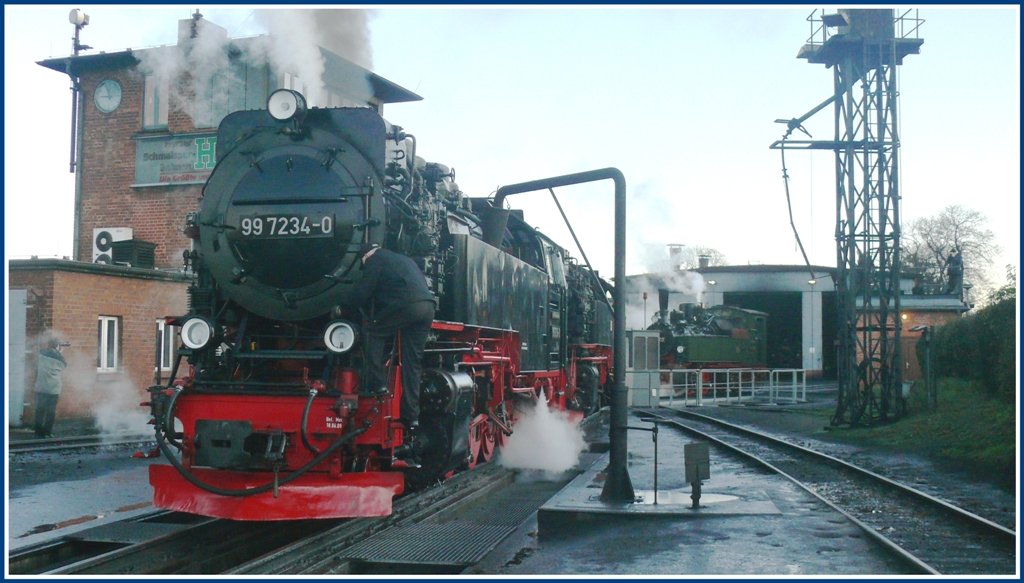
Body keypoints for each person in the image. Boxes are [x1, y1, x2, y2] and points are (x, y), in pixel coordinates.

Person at [337, 243, 436, 461]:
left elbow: (363, 292)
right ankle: (412, 416)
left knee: (372, 332)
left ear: (365, 256)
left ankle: (377, 384)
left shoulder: (375, 260)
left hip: (405, 306)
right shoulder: (402, 259)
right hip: (426, 308)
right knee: (413, 362)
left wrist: (341, 308)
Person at [34, 339, 68, 438]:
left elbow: (35, 365)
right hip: (53, 389)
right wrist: (60, 353)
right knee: (50, 412)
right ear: (57, 346)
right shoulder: (59, 358)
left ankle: (38, 432)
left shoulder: (40, 355)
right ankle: (47, 432)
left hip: (40, 387)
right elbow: (64, 366)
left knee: (39, 410)